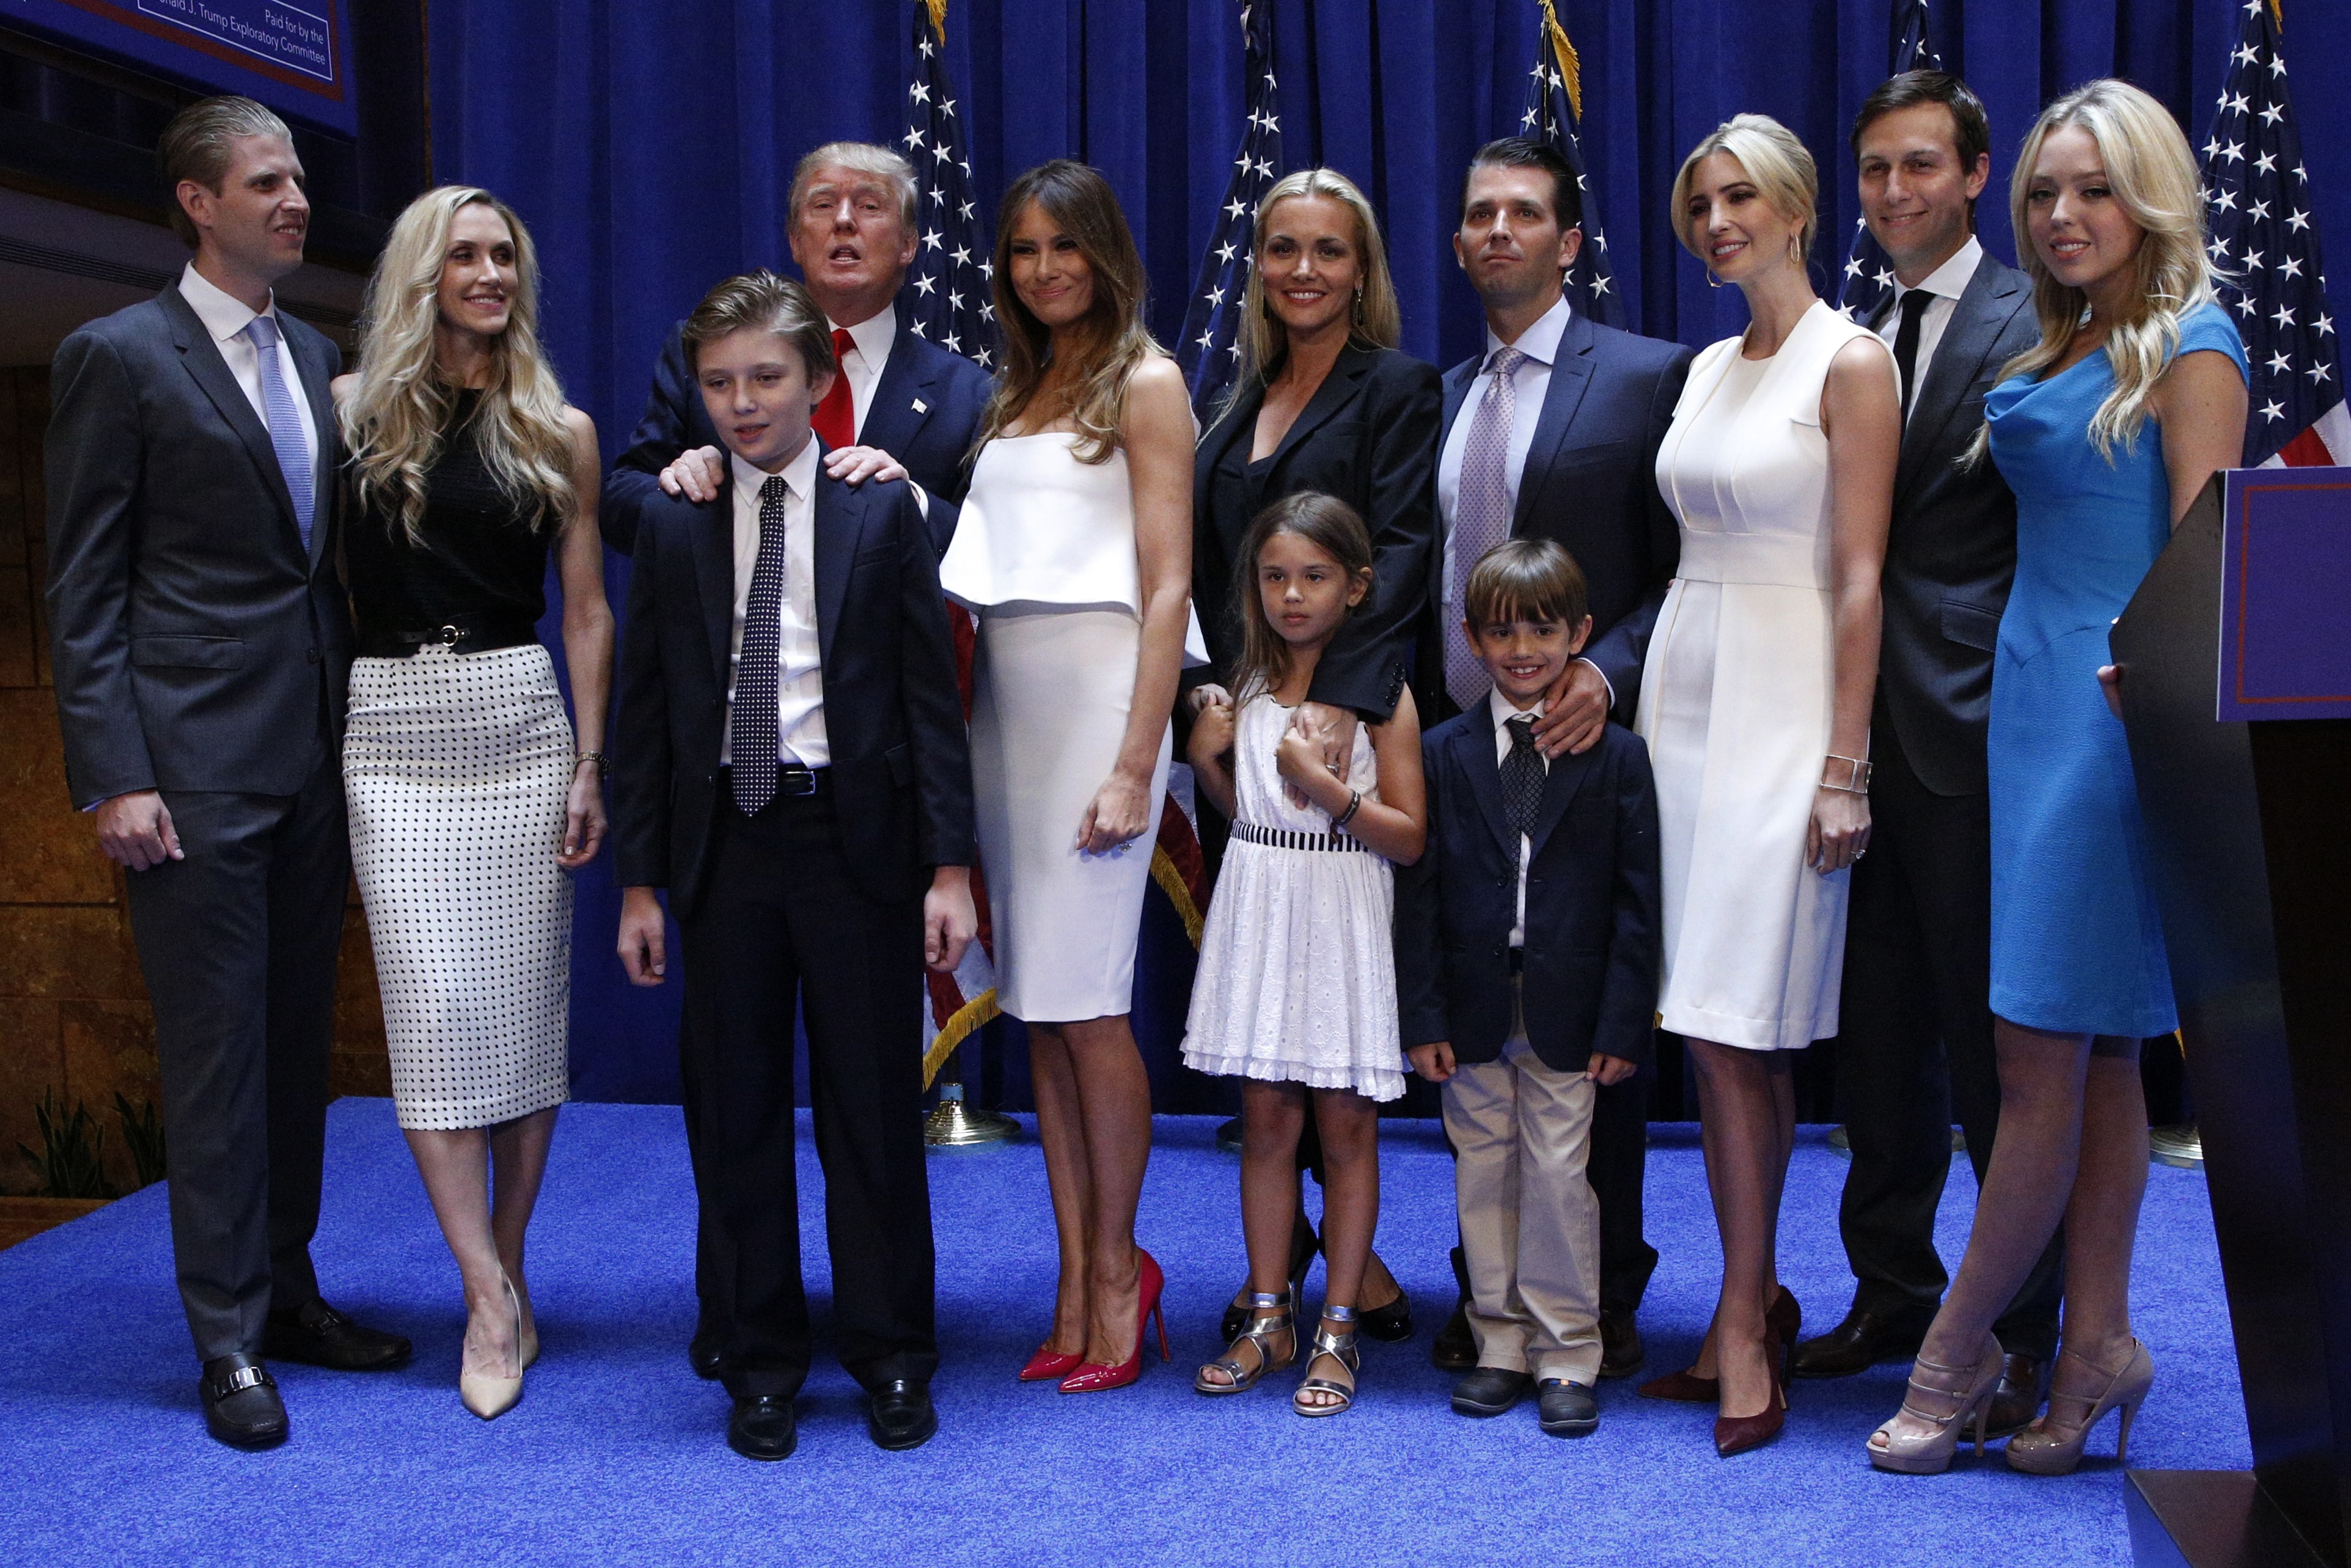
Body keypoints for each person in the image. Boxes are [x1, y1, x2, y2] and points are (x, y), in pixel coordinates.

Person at [1866, 79, 2246, 1476]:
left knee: (2032, 1054)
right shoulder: (2053, 330)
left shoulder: (2191, 341)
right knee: (2085, 1062)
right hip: (2015, 705)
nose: (2062, 214)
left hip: (2105, 724)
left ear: (2144, 193)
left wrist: (2151, 695)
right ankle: (2095, 1346)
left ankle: (1954, 1350)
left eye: (2091, 188)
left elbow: (2208, 565)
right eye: (2041, 192)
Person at [43, 95, 411, 1449]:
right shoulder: (115, 354)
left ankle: (291, 1289)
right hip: (186, 776)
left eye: (301, 176)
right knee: (212, 1061)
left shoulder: (317, 350)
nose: (296, 198)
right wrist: (113, 775)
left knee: (291, 1047)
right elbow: (83, 587)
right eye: (266, 181)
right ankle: (226, 1338)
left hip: (313, 759)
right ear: (198, 203)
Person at [603, 141, 990, 1382]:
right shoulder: (676, 515)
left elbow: (930, 705)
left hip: (853, 843)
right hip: (724, 843)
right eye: (719, 384)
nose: (744, 403)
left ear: (813, 378)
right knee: (736, 1110)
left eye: (767, 377)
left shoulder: (880, 507)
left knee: (875, 1109)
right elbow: (647, 714)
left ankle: (888, 1346)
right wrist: (642, 880)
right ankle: (760, 1346)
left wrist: (949, 864)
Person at [1792, 71, 2064, 1441]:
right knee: (1879, 1042)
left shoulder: (2037, 317)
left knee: (1988, 1038)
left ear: (1972, 174)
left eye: (1919, 168)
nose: (1894, 193)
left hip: (1973, 727)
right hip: (1840, 733)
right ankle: (1891, 1290)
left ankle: (2029, 1328)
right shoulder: (1836, 334)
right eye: (1875, 171)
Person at [1633, 114, 1899, 1458]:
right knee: (1713, 1020)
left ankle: (1745, 1321)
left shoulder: (1852, 361)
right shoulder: (1703, 368)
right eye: (1700, 203)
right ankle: (1753, 1295)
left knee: (1744, 1025)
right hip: (1681, 696)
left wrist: (1843, 765)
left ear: (1798, 209)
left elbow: (1860, 576)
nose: (1719, 220)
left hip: (1789, 708)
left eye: (1742, 197)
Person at [333, 186, 612, 1420]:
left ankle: (505, 1261)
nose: (491, 272)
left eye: (506, 254)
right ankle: (485, 1288)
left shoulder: (559, 426)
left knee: (521, 1022)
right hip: (391, 727)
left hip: (517, 719)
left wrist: (591, 759)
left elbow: (589, 607)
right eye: (467, 255)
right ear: (420, 274)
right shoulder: (348, 414)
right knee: (434, 1017)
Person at [1426, 135, 1693, 1379]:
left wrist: (1605, 670)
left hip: (1593, 740)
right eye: (1479, 213)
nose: (1496, 233)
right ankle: (1493, 1305)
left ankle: (1600, 1297)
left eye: (1523, 213)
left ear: (1571, 239)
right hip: (1462, 756)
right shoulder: (1443, 393)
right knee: (1481, 1043)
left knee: (1584, 1037)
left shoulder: (1645, 378)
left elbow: (1687, 563)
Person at [937, 160, 1198, 1393]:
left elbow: (1168, 587)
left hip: (1102, 699)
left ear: (1106, 253)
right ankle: (1072, 1269)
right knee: (1041, 1009)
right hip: (1007, 704)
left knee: (1091, 1002)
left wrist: (1136, 760)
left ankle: (1118, 1276)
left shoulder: (1146, 383)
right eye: (1024, 250)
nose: (1045, 269)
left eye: (1065, 247)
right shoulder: (1015, 389)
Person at [1184, 166, 1438, 1346]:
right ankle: (1313, 1276)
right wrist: (1205, 697)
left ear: (1362, 268)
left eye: (1328, 250)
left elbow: (1399, 546)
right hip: (1243, 710)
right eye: (1282, 246)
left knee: (1329, 1033)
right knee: (1264, 1032)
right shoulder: (1236, 402)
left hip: (1340, 730)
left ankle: (1332, 1286)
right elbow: (1206, 563)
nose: (1301, 269)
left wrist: (1336, 702)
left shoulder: (1394, 387)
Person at [1398, 538, 1660, 1439]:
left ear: (1578, 634)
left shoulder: (1618, 757)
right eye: (1500, 631)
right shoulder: (1439, 751)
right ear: (1469, 637)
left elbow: (1636, 902)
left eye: (1542, 630)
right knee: (1482, 1170)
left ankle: (1565, 1349)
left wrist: (1624, 1019)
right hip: (1470, 1004)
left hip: (1568, 1009)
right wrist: (1421, 1012)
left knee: (1556, 1172)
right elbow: (1419, 897)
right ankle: (1497, 1340)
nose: (1521, 650)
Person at [1183, 493, 1426, 1417]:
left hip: (1341, 907)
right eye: (1274, 575)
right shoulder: (1240, 683)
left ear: (1358, 586)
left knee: (1346, 1126)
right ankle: (1267, 1313)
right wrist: (1210, 760)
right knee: (1266, 1124)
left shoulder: (1380, 695)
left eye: (1314, 576)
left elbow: (1408, 838)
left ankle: (1337, 1327)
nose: (1291, 595)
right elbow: (1243, 810)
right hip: (1259, 909)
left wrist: (1328, 788)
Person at [605, 141, 993, 554]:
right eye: (824, 205)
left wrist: (911, 502)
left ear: (908, 246)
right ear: (794, 240)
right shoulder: (707, 351)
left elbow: (990, 550)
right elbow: (619, 506)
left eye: (869, 206)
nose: (843, 221)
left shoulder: (969, 394)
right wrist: (685, 490)